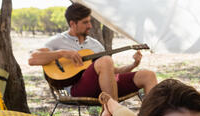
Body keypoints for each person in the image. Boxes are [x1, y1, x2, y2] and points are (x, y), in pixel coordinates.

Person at [28, 3, 158, 102]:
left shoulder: (95, 45)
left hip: (104, 87)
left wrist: (133, 65)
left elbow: (111, 71)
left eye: (89, 21)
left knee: (148, 75)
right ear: (72, 24)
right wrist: (61, 53)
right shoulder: (58, 41)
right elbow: (32, 59)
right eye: (85, 22)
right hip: (75, 89)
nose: (90, 25)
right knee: (105, 60)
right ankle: (112, 115)